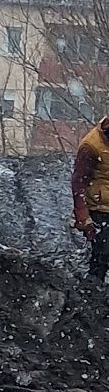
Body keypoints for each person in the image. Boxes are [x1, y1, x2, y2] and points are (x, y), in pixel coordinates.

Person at [71, 114, 109, 279]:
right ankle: (94, 292)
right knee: (102, 254)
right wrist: (83, 216)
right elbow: (78, 182)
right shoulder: (91, 146)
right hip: (100, 209)